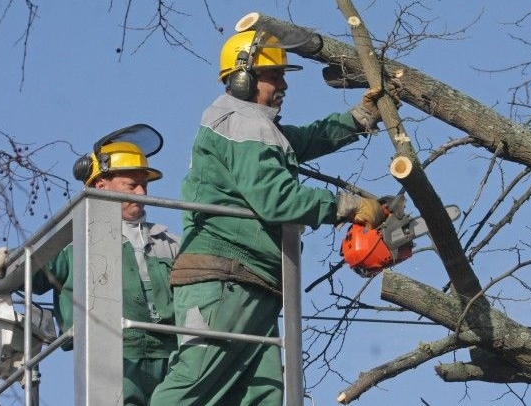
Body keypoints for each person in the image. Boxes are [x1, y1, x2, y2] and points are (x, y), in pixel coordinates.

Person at [150, 30, 392, 406]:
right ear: (243, 78)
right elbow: (276, 199)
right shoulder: (241, 122)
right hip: (225, 276)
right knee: (192, 386)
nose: (283, 85)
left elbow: (302, 141)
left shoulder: (254, 125)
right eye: (274, 76)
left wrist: (357, 119)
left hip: (254, 279)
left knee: (262, 396)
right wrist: (345, 206)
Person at [0, 129, 180, 406]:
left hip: (172, 356)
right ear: (101, 185)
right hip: (114, 352)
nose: (142, 193)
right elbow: (31, 270)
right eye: (132, 185)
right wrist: (4, 263)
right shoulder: (74, 240)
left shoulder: (169, 242)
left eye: (145, 186)